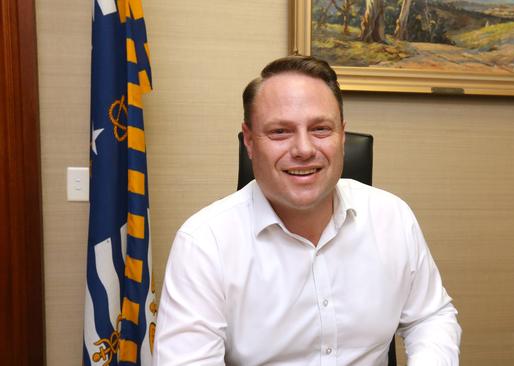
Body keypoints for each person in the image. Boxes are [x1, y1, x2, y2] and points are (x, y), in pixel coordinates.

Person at [153, 56, 461, 365]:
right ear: (249, 141)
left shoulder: (391, 217)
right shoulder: (205, 243)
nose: (303, 149)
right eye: (280, 132)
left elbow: (431, 316)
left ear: (342, 134)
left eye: (320, 129)